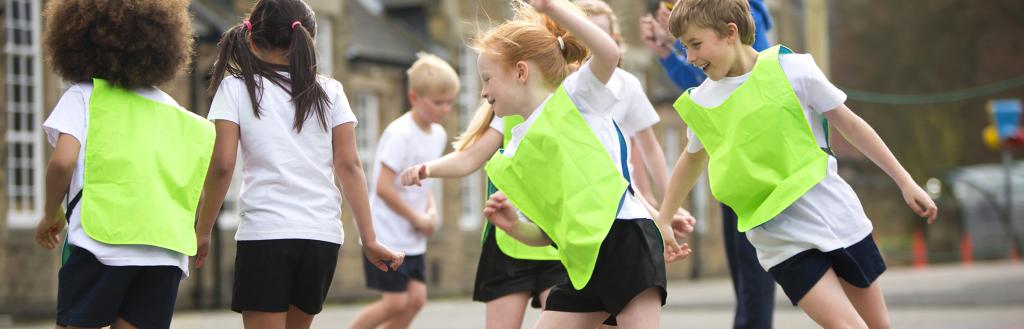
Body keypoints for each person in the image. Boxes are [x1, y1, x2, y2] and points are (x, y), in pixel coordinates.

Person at [654, 0, 938, 328]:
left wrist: (905, 181)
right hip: (778, 236)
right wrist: (663, 218)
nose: (690, 57)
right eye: (684, 47)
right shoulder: (701, 102)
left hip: (833, 213)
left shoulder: (793, 68)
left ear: (730, 33)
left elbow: (852, 125)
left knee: (878, 325)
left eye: (695, 44)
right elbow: (689, 160)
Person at [477, 0, 691, 327]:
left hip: (626, 242)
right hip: (583, 263)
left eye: (487, 79)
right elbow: (551, 234)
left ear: (521, 72)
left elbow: (607, 53)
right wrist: (514, 227)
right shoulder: (515, 152)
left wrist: (552, 7)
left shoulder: (576, 96)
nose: (482, 91)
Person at [195, 0, 405, 328]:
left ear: (251, 39)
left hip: (266, 234)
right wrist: (370, 239)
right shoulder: (331, 91)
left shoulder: (235, 88)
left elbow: (222, 165)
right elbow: (349, 166)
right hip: (320, 237)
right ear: (309, 40)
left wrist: (203, 230)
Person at [35, 1, 209, 328]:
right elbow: (194, 195)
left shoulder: (86, 94)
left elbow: (62, 162)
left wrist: (49, 214)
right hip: (165, 252)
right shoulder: (179, 114)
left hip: (102, 243)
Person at [640, 1, 778, 327]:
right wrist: (667, 50)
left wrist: (679, 38)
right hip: (732, 161)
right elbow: (707, 83)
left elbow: (735, 77)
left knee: (754, 269)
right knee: (744, 271)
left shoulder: (735, 14)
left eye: (695, 45)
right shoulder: (704, 38)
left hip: (755, 162)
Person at [347, 52, 457, 329]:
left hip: (413, 237)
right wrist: (415, 218)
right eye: (438, 102)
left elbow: (425, 184)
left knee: (416, 300)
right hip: (387, 235)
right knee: (395, 302)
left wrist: (430, 213)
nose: (445, 109)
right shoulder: (400, 133)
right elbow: (383, 188)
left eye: (449, 103)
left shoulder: (439, 134)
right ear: (414, 98)